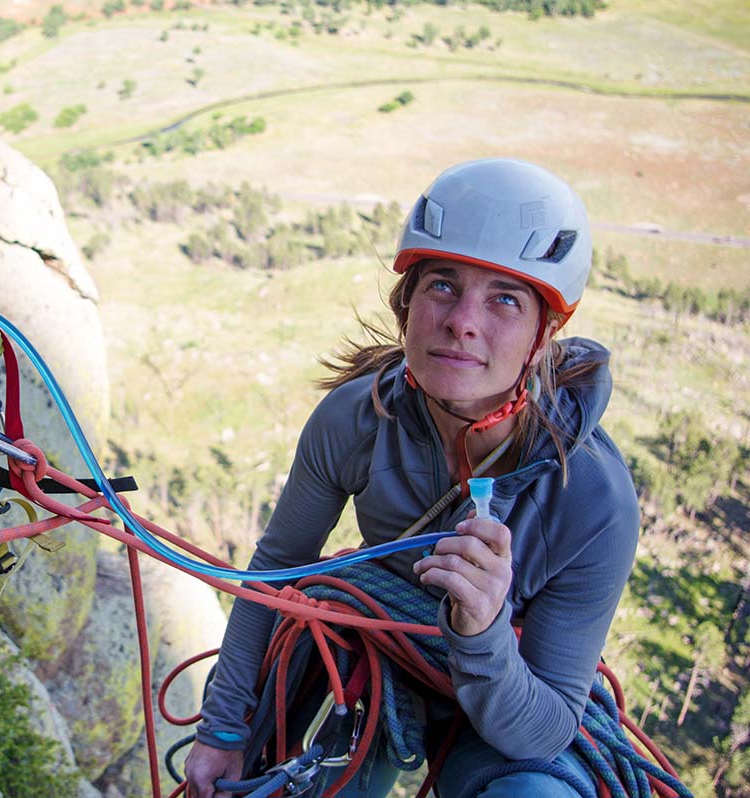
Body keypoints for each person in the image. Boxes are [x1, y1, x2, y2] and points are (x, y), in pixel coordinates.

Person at [183, 158, 640, 798]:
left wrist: (481, 631)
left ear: (545, 334)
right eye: (442, 286)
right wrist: (224, 729)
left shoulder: (593, 497)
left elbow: (544, 730)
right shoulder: (357, 418)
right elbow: (278, 568)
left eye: (505, 298)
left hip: (503, 695)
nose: (463, 321)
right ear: (408, 304)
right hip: (371, 662)